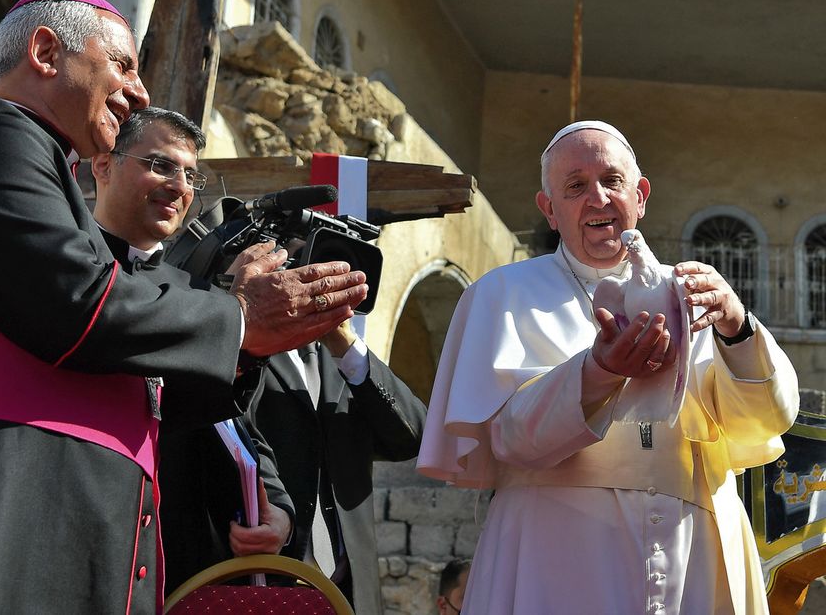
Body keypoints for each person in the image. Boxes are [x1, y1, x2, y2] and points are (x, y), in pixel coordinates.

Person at [0, 0, 367, 615]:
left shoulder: (50, 174)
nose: (141, 92)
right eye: (123, 64)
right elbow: (80, 304)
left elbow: (140, 383)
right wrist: (237, 318)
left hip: (57, 525)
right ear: (45, 51)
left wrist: (247, 343)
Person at [417, 120, 799, 614]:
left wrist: (738, 328)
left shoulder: (697, 293)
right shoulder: (502, 294)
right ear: (550, 210)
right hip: (555, 553)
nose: (597, 197)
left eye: (611, 181)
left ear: (640, 195)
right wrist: (597, 371)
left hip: (695, 556)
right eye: (575, 186)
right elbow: (510, 439)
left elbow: (768, 420)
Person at [89, 106, 294, 595]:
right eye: (160, 164)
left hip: (181, 566)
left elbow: (239, 433)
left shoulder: (202, 299)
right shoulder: (67, 268)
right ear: (103, 165)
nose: (180, 186)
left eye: (191, 175)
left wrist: (279, 515)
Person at [240, 309, 428, 614]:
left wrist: (346, 345)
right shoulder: (245, 349)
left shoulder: (345, 361)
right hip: (272, 583)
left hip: (349, 594)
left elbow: (412, 437)